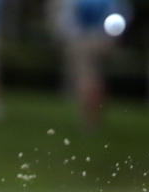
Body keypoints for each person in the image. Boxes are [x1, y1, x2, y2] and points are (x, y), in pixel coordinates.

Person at [50, 0, 132, 129]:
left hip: (82, 40)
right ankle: (95, 117)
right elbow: (123, 14)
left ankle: (89, 120)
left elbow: (66, 21)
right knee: (98, 79)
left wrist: (72, 37)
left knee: (86, 79)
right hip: (105, 40)